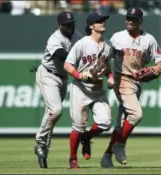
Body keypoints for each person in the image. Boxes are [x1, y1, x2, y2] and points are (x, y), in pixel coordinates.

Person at [100, 7, 161, 168]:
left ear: (140, 21)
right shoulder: (117, 37)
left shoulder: (148, 39)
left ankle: (107, 156)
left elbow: (160, 60)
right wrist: (108, 75)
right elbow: (103, 56)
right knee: (136, 114)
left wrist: (157, 68)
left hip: (137, 82)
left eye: (134, 19)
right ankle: (119, 146)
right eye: (128, 18)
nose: (130, 21)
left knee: (122, 123)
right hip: (121, 79)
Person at [64, 12, 115, 169]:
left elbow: (106, 67)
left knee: (105, 123)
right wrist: (79, 75)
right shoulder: (82, 43)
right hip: (80, 89)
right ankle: (72, 159)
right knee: (78, 126)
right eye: (99, 21)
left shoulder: (108, 46)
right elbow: (67, 65)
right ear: (91, 26)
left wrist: (111, 76)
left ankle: (86, 138)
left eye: (104, 20)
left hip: (98, 90)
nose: (103, 23)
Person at [34, 11, 82, 169]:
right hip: (48, 75)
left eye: (72, 23)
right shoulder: (54, 38)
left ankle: (42, 148)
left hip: (63, 78)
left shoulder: (77, 36)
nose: (70, 27)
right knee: (55, 110)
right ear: (60, 25)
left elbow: (87, 49)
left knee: (52, 113)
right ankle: (41, 142)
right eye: (67, 24)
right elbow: (61, 54)